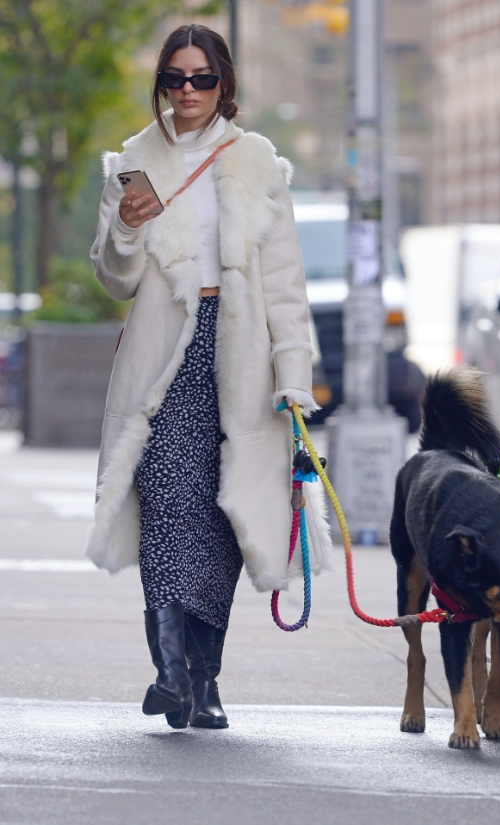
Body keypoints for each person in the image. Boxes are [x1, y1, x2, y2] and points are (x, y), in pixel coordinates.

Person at [87, 24, 331, 730]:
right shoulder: (135, 159)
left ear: (224, 83)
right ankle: (170, 674)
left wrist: (294, 375)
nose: (187, 91)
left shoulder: (257, 162)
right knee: (166, 504)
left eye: (201, 78)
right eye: (174, 78)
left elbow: (285, 284)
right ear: (161, 83)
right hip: (163, 357)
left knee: (224, 518)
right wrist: (127, 230)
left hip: (240, 359)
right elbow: (114, 277)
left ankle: (206, 679)